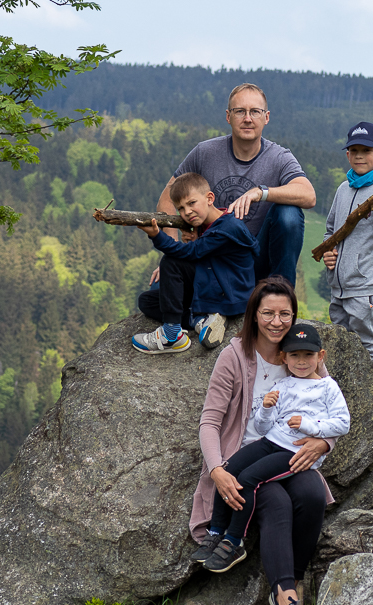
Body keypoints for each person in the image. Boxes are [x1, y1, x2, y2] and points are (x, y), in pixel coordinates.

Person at [192, 278, 335, 605]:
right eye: (268, 313)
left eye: (285, 314)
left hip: (290, 454)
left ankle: (294, 582)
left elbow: (329, 408)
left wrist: (323, 444)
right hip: (246, 457)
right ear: (254, 314)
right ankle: (286, 600)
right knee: (276, 501)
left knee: (313, 494)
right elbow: (209, 421)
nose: (276, 321)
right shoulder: (234, 356)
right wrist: (217, 470)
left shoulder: (301, 355)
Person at [193, 323, 350, 573]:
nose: (301, 361)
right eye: (295, 355)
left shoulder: (327, 386)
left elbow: (343, 423)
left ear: (321, 356)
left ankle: (234, 540)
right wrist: (266, 408)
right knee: (230, 469)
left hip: (293, 452)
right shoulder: (284, 385)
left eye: (308, 355)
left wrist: (311, 426)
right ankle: (215, 532)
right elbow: (263, 427)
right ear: (284, 358)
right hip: (271, 442)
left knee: (248, 479)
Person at [155, 83, 316, 286]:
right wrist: (174, 250)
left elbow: (308, 195)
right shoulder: (205, 153)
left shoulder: (279, 157)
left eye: (255, 112)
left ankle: (280, 293)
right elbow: (167, 198)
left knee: (288, 213)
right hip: (212, 257)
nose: (247, 119)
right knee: (159, 287)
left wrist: (261, 192)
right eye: (240, 111)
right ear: (228, 116)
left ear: (266, 117)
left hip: (257, 258)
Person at [319, 121, 373, 388]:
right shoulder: (343, 189)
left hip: (365, 289)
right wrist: (329, 252)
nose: (359, 155)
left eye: (366, 150)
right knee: (340, 346)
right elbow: (331, 231)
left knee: (367, 348)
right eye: (354, 150)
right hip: (339, 288)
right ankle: (346, 402)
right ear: (347, 154)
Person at [132, 173, 256, 354]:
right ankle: (199, 320)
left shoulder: (227, 227)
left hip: (229, 293)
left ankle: (171, 336)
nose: (187, 212)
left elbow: (190, 253)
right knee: (147, 302)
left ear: (210, 198)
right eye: (181, 208)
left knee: (171, 262)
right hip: (214, 282)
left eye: (192, 203)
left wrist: (156, 236)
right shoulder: (209, 224)